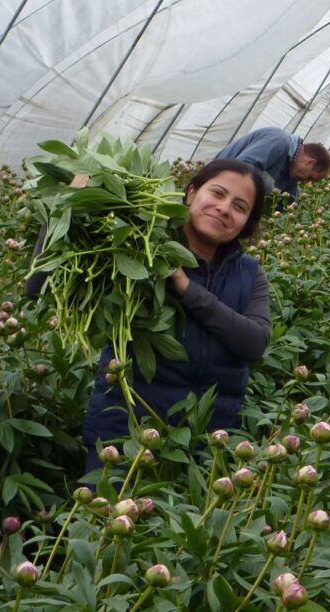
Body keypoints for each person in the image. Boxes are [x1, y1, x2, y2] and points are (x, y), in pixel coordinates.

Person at [26, 159, 270, 470]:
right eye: (217, 193)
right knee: (106, 515)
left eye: (240, 206)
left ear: (247, 222)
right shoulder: (136, 249)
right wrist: (64, 213)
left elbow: (255, 343)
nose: (224, 208)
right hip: (124, 434)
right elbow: (37, 287)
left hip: (209, 445)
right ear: (191, 193)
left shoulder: (249, 274)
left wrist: (186, 289)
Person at [214, 127, 330, 205]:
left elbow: (290, 199)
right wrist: (272, 189)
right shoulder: (279, 141)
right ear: (310, 162)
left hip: (230, 198)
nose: (306, 182)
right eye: (310, 177)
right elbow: (242, 167)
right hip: (216, 188)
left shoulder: (290, 169)